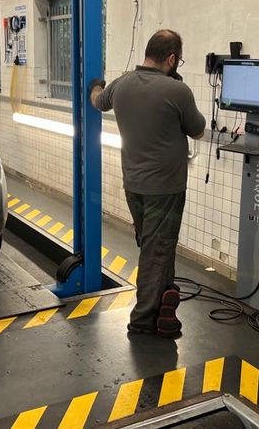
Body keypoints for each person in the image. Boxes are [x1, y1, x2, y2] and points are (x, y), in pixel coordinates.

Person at [89, 29, 206, 338]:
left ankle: (166, 306)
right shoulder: (177, 92)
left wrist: (95, 85)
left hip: (134, 185)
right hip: (165, 188)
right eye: (177, 60)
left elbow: (98, 101)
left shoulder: (122, 84)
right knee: (156, 249)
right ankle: (142, 321)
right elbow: (198, 130)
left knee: (156, 245)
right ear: (171, 58)